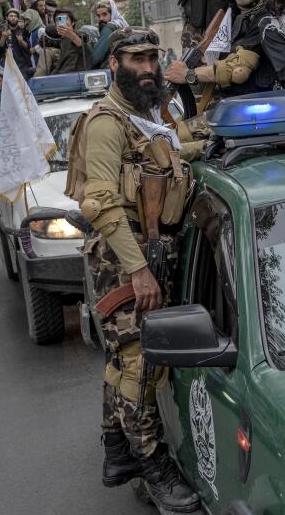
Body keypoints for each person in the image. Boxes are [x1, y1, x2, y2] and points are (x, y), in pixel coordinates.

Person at [65, 27, 202, 512]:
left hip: (147, 251)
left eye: (152, 58)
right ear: (115, 65)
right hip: (123, 258)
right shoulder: (106, 122)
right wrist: (139, 270)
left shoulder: (145, 115)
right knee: (141, 362)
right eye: (136, 60)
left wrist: (200, 145)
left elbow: (167, 158)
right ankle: (152, 463)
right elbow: (99, 204)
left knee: (124, 358)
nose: (148, 68)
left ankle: (116, 452)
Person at [161, 0, 274, 105]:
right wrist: (207, 60)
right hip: (235, 102)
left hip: (263, 104)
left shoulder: (267, 18)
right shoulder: (233, 17)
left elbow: (238, 71)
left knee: (187, 130)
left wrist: (188, 74)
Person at [0, 10, 34, 79]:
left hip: (22, 64)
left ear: (18, 18)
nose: (13, 18)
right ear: (7, 18)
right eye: (11, 16)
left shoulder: (24, 30)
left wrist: (21, 41)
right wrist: (3, 37)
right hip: (7, 64)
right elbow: (0, 47)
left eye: (15, 16)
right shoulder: (2, 30)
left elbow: (28, 47)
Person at [89, 1, 118, 69]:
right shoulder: (120, 24)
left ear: (112, 14)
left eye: (104, 14)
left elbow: (96, 57)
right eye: (98, 16)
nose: (101, 19)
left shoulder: (109, 28)